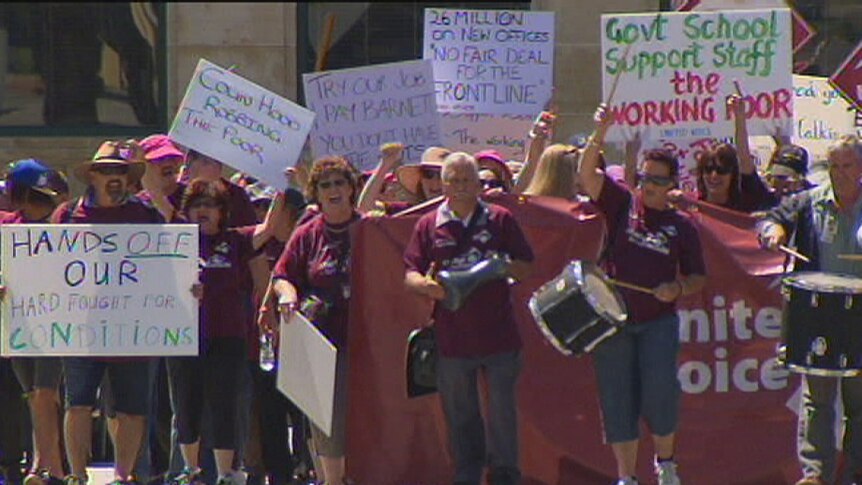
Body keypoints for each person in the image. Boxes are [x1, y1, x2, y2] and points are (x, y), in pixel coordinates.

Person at [579, 104, 706, 485]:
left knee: (660, 391)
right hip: (614, 320)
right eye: (645, 177)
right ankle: (627, 477)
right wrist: (599, 132)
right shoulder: (621, 205)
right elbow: (586, 174)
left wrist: (678, 288)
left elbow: (699, 276)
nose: (648, 185)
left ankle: (666, 464)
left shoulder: (681, 226)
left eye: (657, 180)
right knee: (617, 399)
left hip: (657, 323)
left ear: (671, 185)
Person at [403, 152, 534, 485]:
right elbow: (410, 273)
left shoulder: (500, 219)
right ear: (443, 185)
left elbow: (527, 264)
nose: (461, 187)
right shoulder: (429, 224)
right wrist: (428, 287)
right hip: (453, 337)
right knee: (461, 416)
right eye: (454, 180)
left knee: (502, 413)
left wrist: (500, 266)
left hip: (499, 335)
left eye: (467, 180)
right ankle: (468, 474)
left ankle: (505, 475)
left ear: (478, 183)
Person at [51, 140, 167, 485]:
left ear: (128, 177)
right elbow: (43, 267)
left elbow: (169, 262)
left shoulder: (146, 216)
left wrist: (189, 289)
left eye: (119, 171)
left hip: (131, 326)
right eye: (105, 171)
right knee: (78, 403)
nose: (113, 177)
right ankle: (76, 475)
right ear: (93, 177)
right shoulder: (68, 216)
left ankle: (123, 475)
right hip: (81, 327)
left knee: (132, 408)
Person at [758, 135, 862, 485]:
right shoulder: (809, 202)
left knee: (858, 403)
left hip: (861, 314)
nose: (840, 173)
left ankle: (854, 472)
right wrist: (772, 231)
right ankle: (816, 474)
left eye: (847, 165)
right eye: (833, 165)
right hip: (820, 314)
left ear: (860, 167)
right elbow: (773, 218)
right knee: (818, 399)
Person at [166, 179, 281, 485]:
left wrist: (282, 184)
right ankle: (190, 471)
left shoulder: (236, 240)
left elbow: (269, 228)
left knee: (224, 405)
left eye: (210, 205)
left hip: (227, 336)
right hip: (184, 336)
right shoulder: (178, 236)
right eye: (196, 205)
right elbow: (156, 195)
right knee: (186, 404)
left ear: (221, 212)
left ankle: (224, 473)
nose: (202, 210)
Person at [272, 156, 364, 485]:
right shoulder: (307, 234)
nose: (334, 189)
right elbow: (281, 274)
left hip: (365, 340)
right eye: (325, 185)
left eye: (340, 182)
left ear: (352, 187)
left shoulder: (370, 228)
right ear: (316, 192)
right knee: (326, 423)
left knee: (361, 421)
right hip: (321, 340)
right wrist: (287, 294)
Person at [0, 160, 66, 485]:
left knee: (45, 392)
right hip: (18, 325)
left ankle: (47, 466)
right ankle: (45, 466)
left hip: (57, 326)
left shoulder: (62, 226)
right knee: (32, 393)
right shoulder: (8, 226)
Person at [691, 94, 775, 212]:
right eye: (708, 170)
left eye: (722, 170)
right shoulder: (692, 206)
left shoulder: (746, 201)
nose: (714, 176)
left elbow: (744, 158)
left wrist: (740, 117)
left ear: (734, 174)